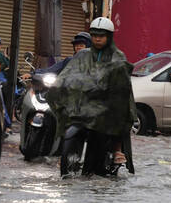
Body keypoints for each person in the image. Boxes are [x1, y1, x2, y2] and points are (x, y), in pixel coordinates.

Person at [47, 17, 136, 175]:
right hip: (84, 103)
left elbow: (122, 83)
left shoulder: (118, 57)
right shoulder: (82, 55)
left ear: (109, 37)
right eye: (94, 35)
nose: (97, 39)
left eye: (101, 36)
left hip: (107, 104)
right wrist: (59, 86)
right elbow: (68, 73)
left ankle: (116, 150)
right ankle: (64, 152)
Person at [23, 32, 91, 79]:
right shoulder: (69, 60)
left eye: (81, 45)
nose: (78, 47)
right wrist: (33, 74)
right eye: (76, 45)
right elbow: (51, 69)